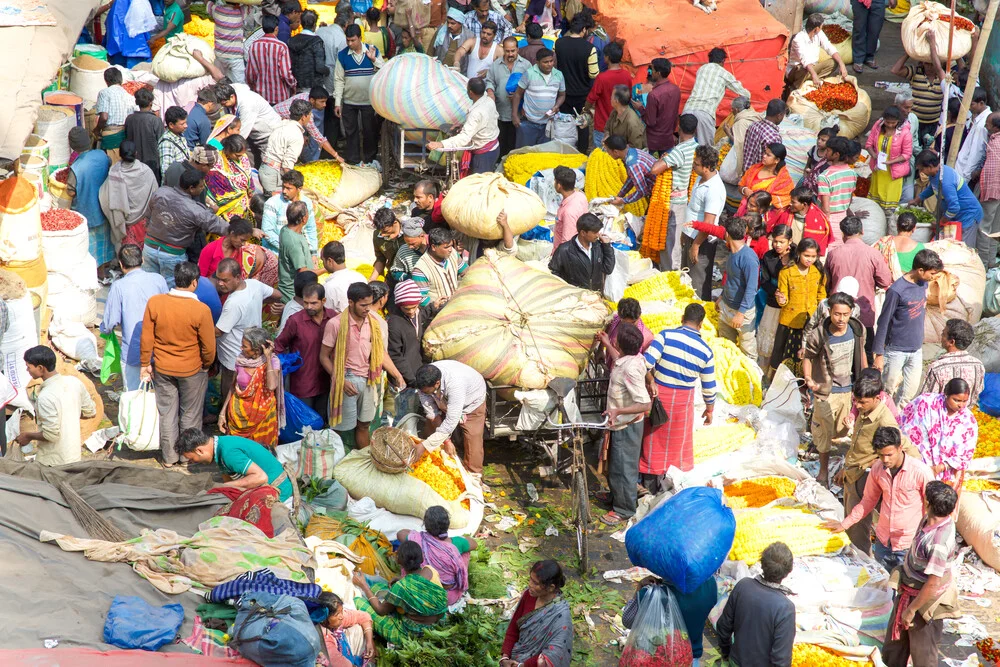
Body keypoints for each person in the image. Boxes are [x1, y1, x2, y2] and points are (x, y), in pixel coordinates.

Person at [824, 425, 933, 571]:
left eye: (889, 455)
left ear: (900, 448)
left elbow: (932, 506)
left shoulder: (920, 471)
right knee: (884, 586)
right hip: (883, 542)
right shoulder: (877, 469)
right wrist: (844, 524)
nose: (885, 460)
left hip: (909, 543)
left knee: (906, 587)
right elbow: (868, 501)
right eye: (881, 455)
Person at [141, 262, 216, 466]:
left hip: (163, 368)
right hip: (192, 369)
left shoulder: (155, 303)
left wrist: (145, 363)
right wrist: (207, 364)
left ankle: (169, 457)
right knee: (190, 415)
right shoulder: (201, 310)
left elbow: (147, 337)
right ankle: (187, 457)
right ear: (194, 282)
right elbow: (209, 346)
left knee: (167, 413)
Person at [881, 481, 961, 667]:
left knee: (923, 655)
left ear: (929, 504)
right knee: (894, 649)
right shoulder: (928, 519)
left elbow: (933, 583)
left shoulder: (939, 543)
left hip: (924, 601)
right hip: (908, 592)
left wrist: (911, 610)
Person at [322, 282, 405, 449]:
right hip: (346, 379)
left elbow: (380, 353)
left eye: (369, 304)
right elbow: (324, 357)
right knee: (340, 428)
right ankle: (337, 464)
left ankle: (364, 462)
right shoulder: (335, 324)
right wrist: (340, 381)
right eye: (363, 305)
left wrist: (397, 374)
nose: (368, 308)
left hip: (369, 380)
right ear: (350, 302)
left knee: (364, 426)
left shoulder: (374, 323)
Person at [641, 303, 716, 490]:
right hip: (683, 403)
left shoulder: (665, 336)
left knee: (653, 440)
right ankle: (669, 485)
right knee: (676, 445)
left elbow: (646, 362)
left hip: (658, 397)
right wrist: (709, 410)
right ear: (701, 325)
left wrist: (651, 380)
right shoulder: (706, 351)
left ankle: (647, 483)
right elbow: (709, 387)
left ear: (682, 318)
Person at [802, 291, 865, 485]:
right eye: (837, 314)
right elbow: (808, 357)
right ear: (829, 311)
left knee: (842, 430)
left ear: (851, 313)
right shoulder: (819, 334)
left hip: (848, 389)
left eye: (845, 314)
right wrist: (808, 379)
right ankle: (822, 471)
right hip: (825, 391)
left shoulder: (856, 329)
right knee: (824, 433)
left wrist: (865, 377)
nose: (841, 319)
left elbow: (861, 352)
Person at [596, 323, 651, 525]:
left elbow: (644, 403)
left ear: (620, 343)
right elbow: (619, 359)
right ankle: (614, 497)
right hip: (618, 423)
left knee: (624, 468)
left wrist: (618, 411)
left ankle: (624, 509)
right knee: (615, 464)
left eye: (615, 339)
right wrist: (604, 344)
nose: (614, 340)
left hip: (627, 426)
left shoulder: (631, 369)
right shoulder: (629, 359)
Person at [874, 248, 943, 405]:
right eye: (931, 274)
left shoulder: (923, 285)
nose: (933, 278)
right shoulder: (896, 291)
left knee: (908, 394)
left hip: (916, 349)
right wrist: (878, 354)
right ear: (920, 270)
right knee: (887, 392)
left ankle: (900, 424)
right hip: (896, 351)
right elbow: (883, 322)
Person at [144, 169, 232, 287]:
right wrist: (242, 230)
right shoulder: (194, 209)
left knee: (148, 284)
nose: (203, 189)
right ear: (191, 188)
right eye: (201, 186)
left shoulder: (161, 192)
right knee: (172, 288)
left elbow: (148, 214)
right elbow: (218, 225)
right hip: (172, 254)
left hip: (149, 247)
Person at [101, 244, 168, 392]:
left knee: (134, 395)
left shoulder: (119, 286)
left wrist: (104, 330)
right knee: (161, 394)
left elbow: (110, 323)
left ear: (121, 264)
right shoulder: (159, 280)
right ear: (142, 260)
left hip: (133, 351)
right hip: (160, 349)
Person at [716, 542, 795, 667]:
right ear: (788, 572)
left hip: (735, 661)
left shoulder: (743, 585)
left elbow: (723, 627)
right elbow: (781, 660)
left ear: (762, 563)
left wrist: (726, 654)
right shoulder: (785, 608)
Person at [352, 541, 448, 643]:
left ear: (398, 561)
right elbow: (424, 587)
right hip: (437, 623)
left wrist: (364, 586)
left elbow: (380, 610)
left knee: (358, 601)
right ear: (422, 558)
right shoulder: (430, 570)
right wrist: (402, 579)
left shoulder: (401, 587)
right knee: (378, 587)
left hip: (411, 635)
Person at [825, 216, 892, 362]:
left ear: (842, 234)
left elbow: (827, 284)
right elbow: (885, 281)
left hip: (838, 315)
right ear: (862, 231)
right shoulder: (873, 254)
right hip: (864, 315)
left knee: (835, 358)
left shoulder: (833, 254)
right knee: (865, 356)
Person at [17, 346, 96, 466]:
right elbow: (90, 411)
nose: (27, 370)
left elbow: (51, 435)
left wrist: (27, 435)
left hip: (53, 462)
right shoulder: (74, 382)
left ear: (40, 368)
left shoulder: (45, 397)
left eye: (29, 367)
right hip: (74, 456)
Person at [215, 257, 282, 400]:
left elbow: (218, 331)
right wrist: (258, 302)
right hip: (252, 348)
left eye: (225, 280)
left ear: (238, 277)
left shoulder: (234, 303)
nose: (220, 284)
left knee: (231, 381)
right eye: (218, 279)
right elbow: (277, 295)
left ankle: (227, 413)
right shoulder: (254, 285)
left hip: (234, 354)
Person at [622, 574, 718, 664]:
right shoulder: (710, 584)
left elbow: (628, 621)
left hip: (656, 659)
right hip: (689, 658)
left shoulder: (650, 594)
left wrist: (640, 587)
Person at [178, 429, 294, 501]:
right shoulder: (219, 445)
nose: (192, 462)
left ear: (199, 451)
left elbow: (260, 477)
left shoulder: (228, 452)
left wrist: (224, 487)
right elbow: (227, 477)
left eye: (191, 459)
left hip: (280, 490)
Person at [900, 378, 978, 487]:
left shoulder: (968, 420)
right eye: (956, 400)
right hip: (916, 465)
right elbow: (906, 424)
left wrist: (940, 467)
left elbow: (966, 452)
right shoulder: (926, 402)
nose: (961, 405)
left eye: (965, 401)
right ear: (946, 394)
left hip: (945, 473)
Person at [415, 360, 488, 474]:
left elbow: (451, 421)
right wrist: (447, 441)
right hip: (443, 399)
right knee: (430, 427)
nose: (424, 393)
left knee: (472, 437)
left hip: (471, 401)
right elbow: (432, 413)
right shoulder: (424, 384)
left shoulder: (455, 385)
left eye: (427, 392)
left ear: (437, 383)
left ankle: (474, 476)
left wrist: (425, 446)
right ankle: (432, 463)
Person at [397, 506, 477, 606]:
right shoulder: (455, 544)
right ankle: (459, 581)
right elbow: (474, 544)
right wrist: (458, 539)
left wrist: (417, 534)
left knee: (409, 548)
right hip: (446, 597)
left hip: (419, 592)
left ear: (426, 525)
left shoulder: (418, 538)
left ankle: (410, 579)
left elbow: (400, 534)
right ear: (447, 525)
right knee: (464, 552)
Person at [276, 282, 334, 419]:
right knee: (304, 424)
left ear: (323, 301)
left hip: (327, 380)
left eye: (313, 303)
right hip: (303, 382)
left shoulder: (333, 318)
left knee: (323, 421)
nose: (309, 307)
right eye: (306, 303)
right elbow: (279, 345)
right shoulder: (295, 321)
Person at [218, 326, 284, 448]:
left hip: (262, 416)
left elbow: (271, 386)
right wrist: (222, 413)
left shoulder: (273, 361)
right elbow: (233, 387)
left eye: (245, 346)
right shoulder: (240, 360)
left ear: (257, 350)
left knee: (260, 451)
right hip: (237, 414)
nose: (241, 348)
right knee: (238, 450)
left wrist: (268, 358)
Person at [500, 561, 573, 667]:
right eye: (530, 579)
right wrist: (505, 657)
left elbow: (551, 656)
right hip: (513, 660)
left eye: (535, 583)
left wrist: (521, 665)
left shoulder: (561, 617)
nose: (530, 584)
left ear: (551, 587)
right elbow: (513, 628)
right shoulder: (528, 595)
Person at [770, 238, 825, 377]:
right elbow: (783, 298)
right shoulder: (787, 272)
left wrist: (821, 314)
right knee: (784, 355)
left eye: (813, 256)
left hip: (811, 321)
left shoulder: (817, 272)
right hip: (790, 322)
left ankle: (804, 384)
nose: (810, 260)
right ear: (799, 253)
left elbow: (821, 295)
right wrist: (781, 299)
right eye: (806, 256)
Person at [651, 114, 698, 270]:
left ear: (679, 128)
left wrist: (662, 159)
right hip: (686, 199)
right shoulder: (696, 147)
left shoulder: (679, 151)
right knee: (677, 239)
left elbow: (655, 170)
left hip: (674, 202)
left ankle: (670, 274)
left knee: (671, 242)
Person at [426, 77, 501, 174]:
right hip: (493, 148)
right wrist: (464, 125)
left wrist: (440, 144)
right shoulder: (489, 100)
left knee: (478, 185)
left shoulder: (476, 112)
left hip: (483, 155)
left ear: (470, 92)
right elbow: (484, 122)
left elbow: (464, 138)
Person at [334, 25, 384, 165]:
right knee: (351, 133)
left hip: (369, 102)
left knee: (370, 132)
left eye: (353, 40)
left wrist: (374, 59)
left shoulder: (372, 51)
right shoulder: (342, 55)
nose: (350, 43)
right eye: (348, 40)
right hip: (349, 102)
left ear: (360, 38)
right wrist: (338, 102)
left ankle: (370, 160)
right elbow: (338, 79)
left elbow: (384, 71)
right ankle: (353, 160)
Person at [910, 150, 983, 244]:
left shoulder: (945, 181)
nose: (921, 172)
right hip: (957, 215)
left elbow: (954, 207)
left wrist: (940, 222)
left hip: (968, 215)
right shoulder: (935, 174)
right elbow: (934, 188)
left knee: (964, 248)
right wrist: (918, 198)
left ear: (930, 167)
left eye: (921, 169)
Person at [683, 145, 727, 300]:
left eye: (696, 164)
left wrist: (695, 245)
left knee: (698, 282)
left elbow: (708, 224)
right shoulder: (700, 178)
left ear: (707, 167)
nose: (693, 166)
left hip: (702, 241)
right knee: (687, 276)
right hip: (692, 236)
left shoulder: (714, 189)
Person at [67, 126, 114, 268]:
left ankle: (95, 270)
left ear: (72, 146)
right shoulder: (102, 155)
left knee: (91, 246)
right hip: (104, 208)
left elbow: (71, 192)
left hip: (87, 210)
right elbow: (108, 166)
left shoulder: (76, 167)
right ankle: (104, 269)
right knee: (105, 242)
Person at [684, 47, 751, 145]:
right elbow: (745, 93)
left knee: (685, 146)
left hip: (687, 109)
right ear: (723, 60)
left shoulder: (701, 69)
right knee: (705, 150)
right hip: (705, 112)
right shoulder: (723, 73)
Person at [98, 140, 157, 250]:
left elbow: (104, 195)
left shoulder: (114, 172)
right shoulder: (146, 171)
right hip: (143, 221)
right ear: (136, 153)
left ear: (120, 154)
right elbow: (155, 194)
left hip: (124, 223)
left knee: (128, 254)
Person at [717, 216, 760, 363]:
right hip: (726, 307)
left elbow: (751, 288)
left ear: (727, 234)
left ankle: (753, 380)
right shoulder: (733, 253)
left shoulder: (748, 258)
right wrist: (722, 297)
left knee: (747, 351)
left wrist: (740, 313)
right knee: (725, 346)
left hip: (742, 312)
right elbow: (731, 279)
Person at [552, 14, 597, 152]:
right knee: (582, 126)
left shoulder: (558, 43)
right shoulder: (590, 48)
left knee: (564, 125)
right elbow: (593, 74)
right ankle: (581, 153)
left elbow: (554, 66)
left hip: (563, 94)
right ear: (583, 29)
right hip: (583, 96)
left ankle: (565, 151)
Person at [891, 39, 947, 142]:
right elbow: (895, 70)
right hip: (914, 121)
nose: (929, 67)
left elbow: (962, 72)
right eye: (927, 64)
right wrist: (909, 53)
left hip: (934, 123)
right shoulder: (915, 72)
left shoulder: (944, 77)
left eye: (932, 64)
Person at [485, 37, 531, 158]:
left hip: (519, 114)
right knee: (501, 142)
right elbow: (490, 81)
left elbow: (531, 86)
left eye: (513, 51)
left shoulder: (526, 65)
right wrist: (490, 91)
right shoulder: (496, 65)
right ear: (503, 50)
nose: (510, 54)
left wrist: (520, 95)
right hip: (500, 111)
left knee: (516, 143)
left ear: (517, 50)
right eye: (507, 51)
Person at [511, 48, 565, 148]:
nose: (549, 64)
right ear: (537, 62)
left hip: (548, 124)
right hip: (528, 122)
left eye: (551, 61)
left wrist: (557, 106)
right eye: (545, 62)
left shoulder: (559, 75)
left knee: (542, 156)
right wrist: (515, 115)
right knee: (524, 154)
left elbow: (562, 95)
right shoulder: (529, 73)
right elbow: (517, 94)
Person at [198, 217, 275, 286]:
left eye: (245, 241)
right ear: (232, 234)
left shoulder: (239, 251)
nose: (243, 244)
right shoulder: (210, 249)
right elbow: (201, 278)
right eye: (242, 240)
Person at [924, 323, 986, 409]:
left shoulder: (937, 368)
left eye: (943, 334)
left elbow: (926, 400)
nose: (941, 337)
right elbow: (977, 392)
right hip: (965, 418)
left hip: (940, 419)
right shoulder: (978, 365)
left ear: (951, 342)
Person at [274, 88, 344, 163]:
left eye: (325, 101)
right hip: (276, 124)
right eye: (322, 102)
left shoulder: (306, 97)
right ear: (312, 100)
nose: (325, 105)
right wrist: (336, 156)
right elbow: (319, 138)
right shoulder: (306, 114)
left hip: (284, 122)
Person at [549, 213, 615, 292]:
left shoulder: (598, 246)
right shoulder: (564, 250)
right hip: (575, 298)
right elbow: (553, 274)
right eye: (595, 232)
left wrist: (607, 246)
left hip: (595, 296)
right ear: (583, 233)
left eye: (598, 232)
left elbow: (608, 269)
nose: (598, 235)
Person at [785, 13, 849, 95]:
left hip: (812, 68)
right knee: (804, 68)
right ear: (816, 29)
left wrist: (842, 64)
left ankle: (812, 80)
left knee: (834, 62)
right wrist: (814, 74)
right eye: (821, 27)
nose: (822, 28)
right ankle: (794, 87)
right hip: (796, 71)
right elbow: (805, 60)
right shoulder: (799, 39)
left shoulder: (819, 34)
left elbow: (829, 47)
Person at [758, 225, 794, 364]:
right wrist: (775, 292)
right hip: (773, 303)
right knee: (769, 338)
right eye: (775, 241)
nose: (777, 245)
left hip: (792, 303)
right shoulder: (769, 257)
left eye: (781, 242)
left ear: (789, 241)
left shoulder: (796, 255)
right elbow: (764, 281)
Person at [262, 170, 318, 258]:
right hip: (276, 253)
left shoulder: (307, 203)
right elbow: (267, 232)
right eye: (283, 187)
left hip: (299, 252)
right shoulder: (272, 203)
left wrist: (313, 253)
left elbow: (310, 229)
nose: (284, 191)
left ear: (299, 189)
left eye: (288, 188)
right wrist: (289, 248)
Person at [866, 107, 914, 210]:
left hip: (893, 173)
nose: (890, 125)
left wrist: (890, 162)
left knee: (889, 207)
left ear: (898, 121)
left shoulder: (904, 133)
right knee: (875, 205)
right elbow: (869, 144)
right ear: (884, 120)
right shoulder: (878, 126)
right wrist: (874, 155)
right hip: (878, 171)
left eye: (893, 123)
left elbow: (907, 154)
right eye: (888, 122)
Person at [259, 99, 310, 195]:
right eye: (310, 115)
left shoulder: (282, 124)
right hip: (274, 175)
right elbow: (287, 166)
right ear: (304, 117)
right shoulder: (297, 135)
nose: (310, 118)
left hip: (264, 169)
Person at [585, 41, 632, 148]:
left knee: (602, 157)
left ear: (607, 58)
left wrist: (586, 110)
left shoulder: (602, 78)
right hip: (621, 125)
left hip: (602, 126)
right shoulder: (627, 75)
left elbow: (591, 99)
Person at [387, 280, 431, 388]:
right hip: (405, 378)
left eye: (414, 307)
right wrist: (411, 379)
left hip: (419, 371)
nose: (411, 311)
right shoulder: (394, 324)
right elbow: (395, 355)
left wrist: (433, 307)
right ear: (399, 306)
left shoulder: (417, 313)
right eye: (406, 309)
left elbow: (421, 316)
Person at [246, 14, 297, 104]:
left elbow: (250, 74)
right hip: (280, 96)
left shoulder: (254, 45)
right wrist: (293, 86)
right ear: (276, 28)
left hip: (260, 96)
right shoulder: (281, 46)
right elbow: (286, 74)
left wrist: (253, 87)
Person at [412, 227, 470, 307]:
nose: (450, 249)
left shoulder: (452, 253)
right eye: (446, 247)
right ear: (433, 247)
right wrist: (436, 305)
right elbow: (421, 298)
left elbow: (466, 272)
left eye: (451, 246)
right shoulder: (420, 269)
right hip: (437, 315)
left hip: (457, 306)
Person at [816, 136, 857, 243]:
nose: (826, 153)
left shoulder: (825, 176)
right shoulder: (852, 173)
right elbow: (850, 198)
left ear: (836, 154)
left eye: (828, 150)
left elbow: (826, 208)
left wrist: (825, 224)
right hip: (844, 218)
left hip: (829, 220)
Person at [317, 591, 376, 665]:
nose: (341, 616)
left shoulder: (336, 620)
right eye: (337, 614)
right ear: (324, 618)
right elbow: (341, 664)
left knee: (359, 628)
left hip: (346, 658)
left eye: (341, 611)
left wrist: (369, 642)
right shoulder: (324, 638)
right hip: (337, 663)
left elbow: (364, 617)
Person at [205, 135, 254, 221]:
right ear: (227, 150)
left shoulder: (244, 158)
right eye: (237, 155)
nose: (240, 158)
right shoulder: (216, 162)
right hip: (222, 209)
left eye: (242, 155)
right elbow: (211, 183)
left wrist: (250, 193)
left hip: (243, 205)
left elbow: (248, 176)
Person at [639, 58, 680, 155]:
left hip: (654, 140)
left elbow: (650, 122)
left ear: (659, 73)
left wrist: (640, 108)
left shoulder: (654, 95)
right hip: (668, 138)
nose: (651, 72)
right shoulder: (676, 89)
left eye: (652, 70)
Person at [738, 142, 795, 212]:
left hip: (763, 217)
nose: (764, 156)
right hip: (744, 209)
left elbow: (784, 201)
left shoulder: (784, 180)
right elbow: (741, 185)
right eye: (764, 153)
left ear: (777, 160)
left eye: (768, 155)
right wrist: (744, 190)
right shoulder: (754, 169)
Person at [93, 68, 135, 161]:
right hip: (124, 135)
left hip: (110, 135)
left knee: (110, 166)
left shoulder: (104, 93)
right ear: (121, 80)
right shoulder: (128, 95)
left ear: (106, 81)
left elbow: (104, 117)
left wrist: (96, 130)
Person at [606, 135, 657, 209]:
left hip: (660, 190)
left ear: (615, 152)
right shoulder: (632, 151)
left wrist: (622, 201)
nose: (608, 154)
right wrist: (620, 195)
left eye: (608, 151)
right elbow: (631, 178)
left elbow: (642, 191)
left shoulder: (633, 164)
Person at [123, 88, 164, 180]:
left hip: (134, 163)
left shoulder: (129, 119)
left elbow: (126, 138)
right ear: (151, 103)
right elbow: (161, 142)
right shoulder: (155, 120)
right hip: (152, 164)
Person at [277, 200, 314, 303]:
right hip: (292, 294)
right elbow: (303, 272)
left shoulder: (285, 229)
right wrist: (326, 269)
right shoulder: (294, 243)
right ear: (304, 219)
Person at [874, 211, 925, 281]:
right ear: (914, 228)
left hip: (884, 286)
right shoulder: (919, 248)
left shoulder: (883, 242)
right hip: (907, 287)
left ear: (897, 226)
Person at [955, 87, 992, 183]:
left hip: (966, 174)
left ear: (981, 103)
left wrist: (966, 176)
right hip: (963, 170)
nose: (969, 107)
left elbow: (977, 152)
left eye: (972, 104)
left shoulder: (983, 123)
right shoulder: (978, 119)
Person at [978, 112, 1000, 269]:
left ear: (995, 127)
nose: (986, 126)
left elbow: (991, 171)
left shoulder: (995, 142)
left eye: (988, 123)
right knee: (996, 228)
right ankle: (991, 261)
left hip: (992, 190)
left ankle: (983, 263)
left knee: (984, 228)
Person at [289, 10, 329, 93]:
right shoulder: (316, 41)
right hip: (313, 87)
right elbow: (320, 67)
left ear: (301, 23)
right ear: (314, 24)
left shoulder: (291, 40)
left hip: (296, 85)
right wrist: (328, 71)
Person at [321, 240, 367, 313]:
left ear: (329, 261)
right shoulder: (360, 277)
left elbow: (328, 315)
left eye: (323, 260)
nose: (323, 264)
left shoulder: (329, 287)